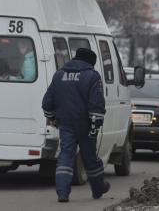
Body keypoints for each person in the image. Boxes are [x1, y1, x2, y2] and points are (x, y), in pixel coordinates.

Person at [42, 48, 110, 203]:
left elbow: (47, 102)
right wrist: (95, 123)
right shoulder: (92, 76)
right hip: (85, 124)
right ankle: (98, 189)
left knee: (65, 157)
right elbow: (96, 103)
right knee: (90, 158)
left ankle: (62, 193)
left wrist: (52, 118)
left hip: (65, 123)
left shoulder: (59, 75)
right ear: (90, 62)